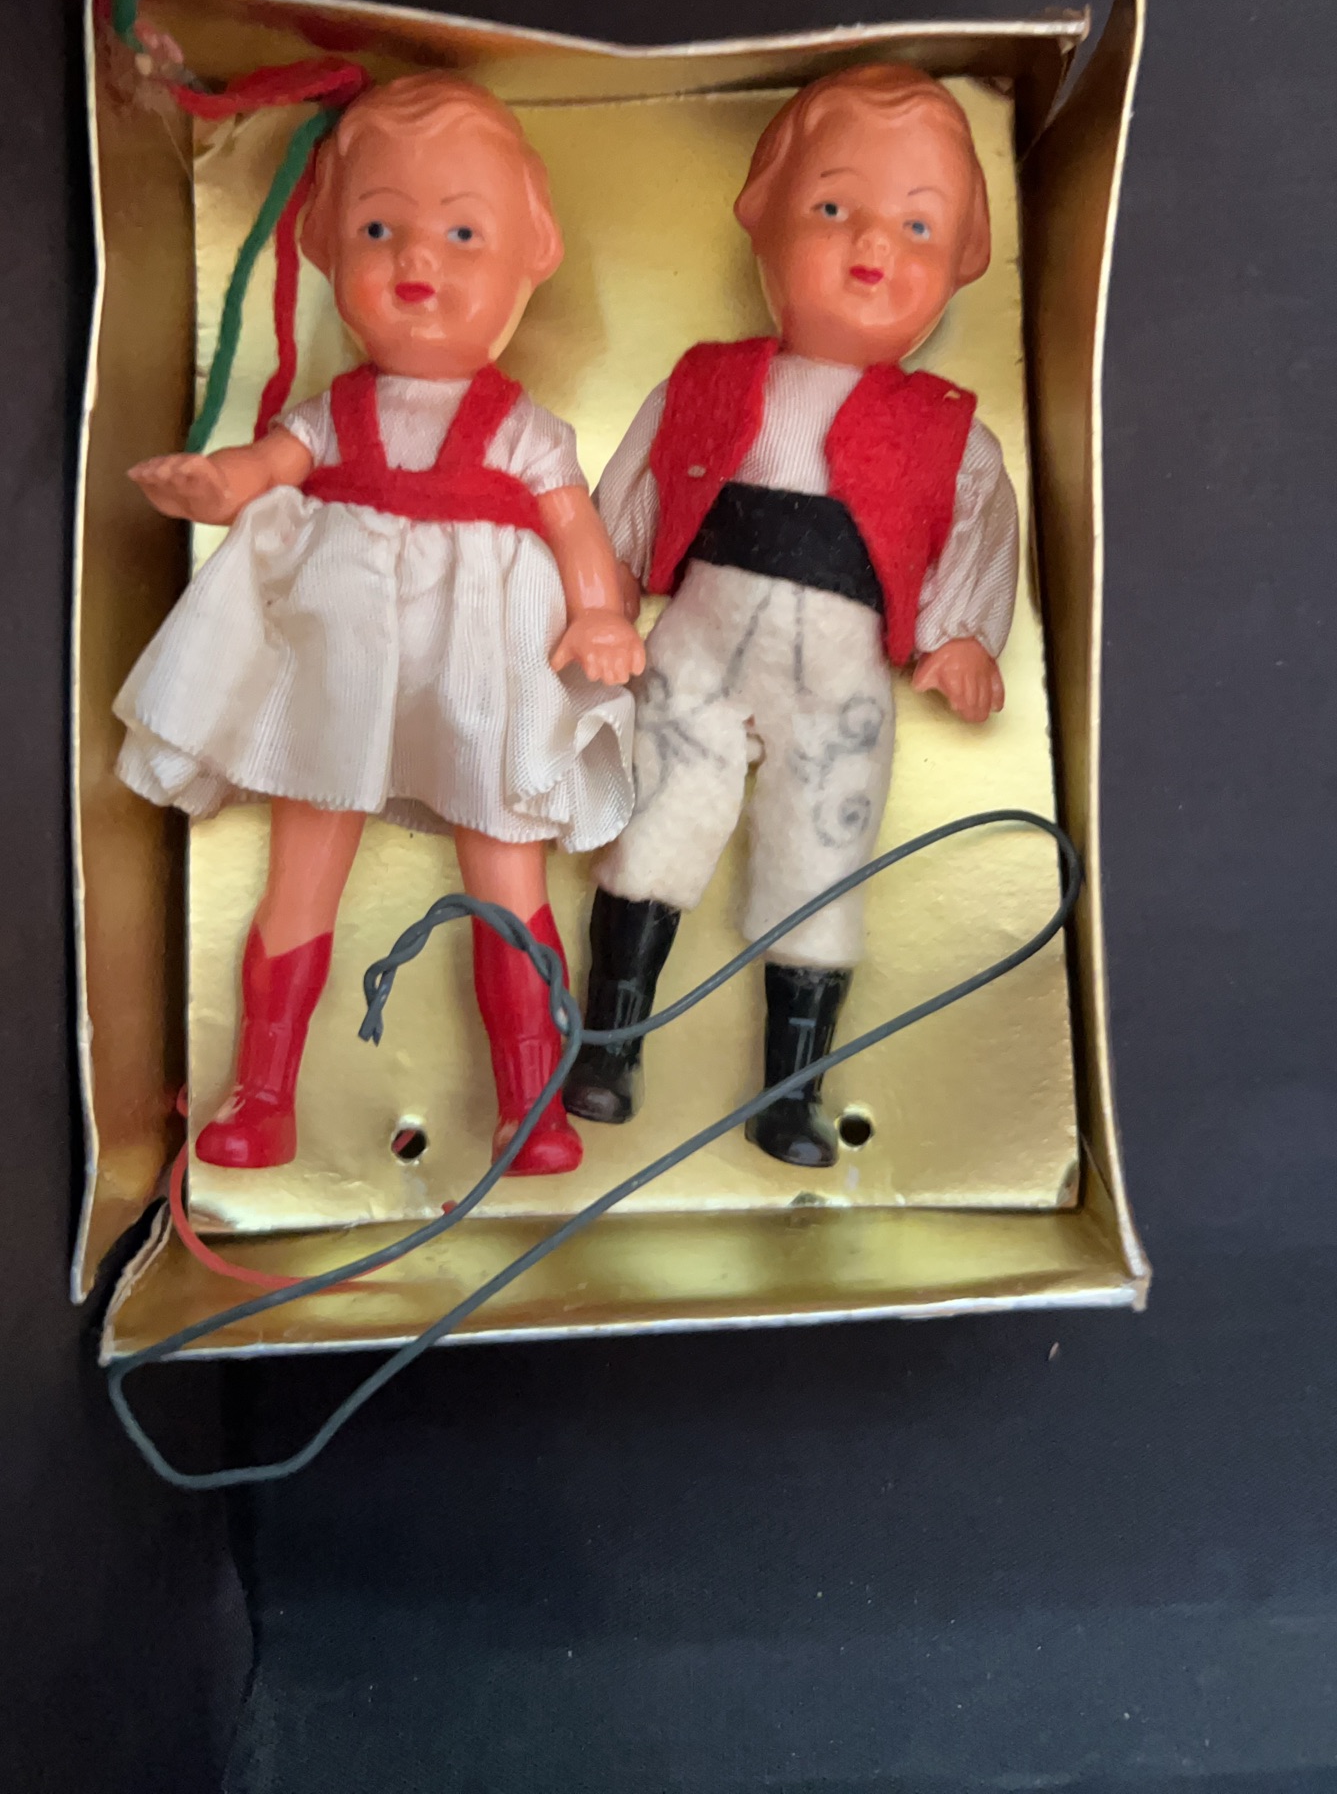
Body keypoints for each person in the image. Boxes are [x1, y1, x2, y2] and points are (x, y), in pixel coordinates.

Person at [116, 73, 643, 1176]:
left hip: (484, 672)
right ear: (325, 247)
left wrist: (598, 612)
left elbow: (572, 523)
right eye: (377, 229)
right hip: (343, 667)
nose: (417, 260)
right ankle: (261, 1092)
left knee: (508, 871)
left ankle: (530, 1102)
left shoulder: (523, 429)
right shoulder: (332, 413)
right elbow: (269, 464)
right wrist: (221, 482)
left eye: (463, 233)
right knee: (302, 866)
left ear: (531, 255)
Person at [566, 62, 1018, 1169]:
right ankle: (607, 1045)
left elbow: (975, 531)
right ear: (760, 216)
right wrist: (602, 592)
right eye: (830, 207)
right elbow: (631, 491)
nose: (872, 243)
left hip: (843, 679)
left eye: (918, 226)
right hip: (698, 649)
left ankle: (792, 1092)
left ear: (961, 262)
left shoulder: (950, 429)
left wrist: (962, 635)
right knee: (653, 830)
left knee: (819, 865)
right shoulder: (707, 382)